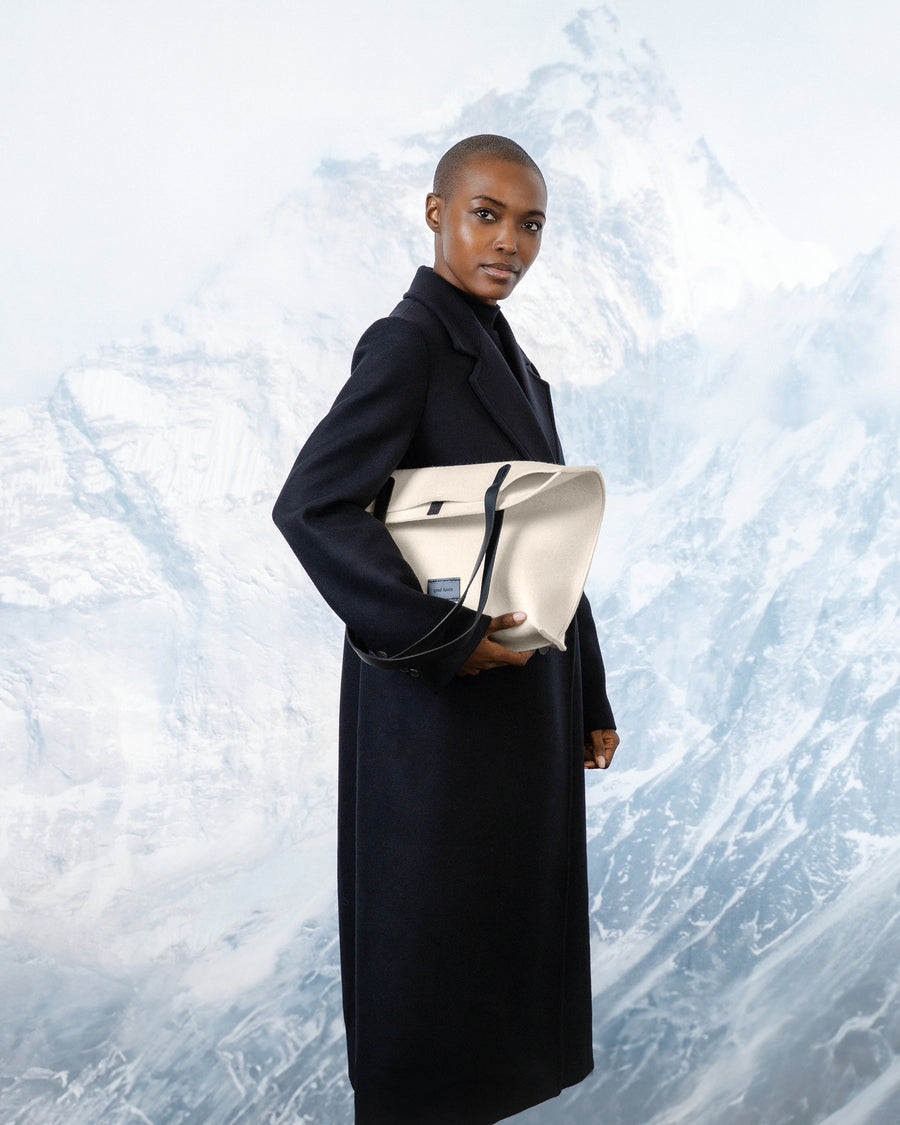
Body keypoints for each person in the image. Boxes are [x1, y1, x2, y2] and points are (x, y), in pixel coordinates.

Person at [273, 134, 619, 1125]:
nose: (509, 241)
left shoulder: (510, 356)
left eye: (530, 224)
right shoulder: (411, 342)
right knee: (431, 981)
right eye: (486, 214)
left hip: (523, 712)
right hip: (439, 723)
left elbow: (553, 534)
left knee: (498, 970)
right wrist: (439, 637)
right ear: (435, 214)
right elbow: (314, 507)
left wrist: (588, 694)